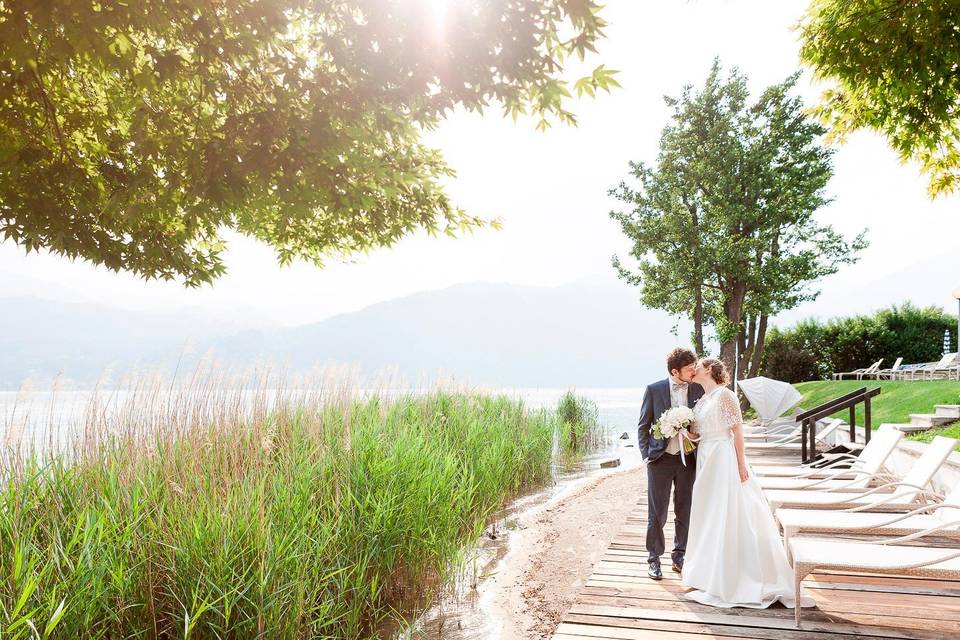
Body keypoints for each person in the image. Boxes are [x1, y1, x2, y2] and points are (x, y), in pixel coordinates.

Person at [681, 357, 814, 609]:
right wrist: (681, 430)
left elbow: (737, 431)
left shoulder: (725, 395)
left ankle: (735, 577)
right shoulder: (702, 400)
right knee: (708, 513)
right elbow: (698, 433)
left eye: (698, 365)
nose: (694, 368)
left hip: (722, 456)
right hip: (705, 457)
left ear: (709, 370)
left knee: (726, 511)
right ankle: (708, 575)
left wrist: (741, 464)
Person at [637, 347, 704, 580]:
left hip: (688, 460)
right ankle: (653, 559)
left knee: (685, 509)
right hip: (660, 460)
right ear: (676, 371)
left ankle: (680, 555)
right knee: (657, 513)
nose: (694, 371)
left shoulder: (698, 389)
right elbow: (643, 425)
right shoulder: (654, 390)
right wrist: (646, 454)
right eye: (689, 369)